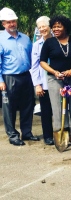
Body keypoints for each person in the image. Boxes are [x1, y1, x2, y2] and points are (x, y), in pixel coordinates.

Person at [0, 7, 39, 146]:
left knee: (28, 105)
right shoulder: (0, 38)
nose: (11, 24)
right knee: (9, 107)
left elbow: (33, 58)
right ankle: (13, 135)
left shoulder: (25, 38)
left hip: (26, 76)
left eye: (13, 21)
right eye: (8, 22)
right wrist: (0, 80)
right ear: (3, 23)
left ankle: (27, 132)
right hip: (9, 77)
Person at [40, 15, 71, 145]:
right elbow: (42, 62)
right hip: (55, 79)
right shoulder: (49, 42)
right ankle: (62, 133)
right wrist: (54, 72)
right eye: (54, 26)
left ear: (65, 27)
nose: (56, 29)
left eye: (59, 26)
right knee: (57, 108)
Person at [30, 16, 54, 145]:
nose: (42, 29)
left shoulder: (57, 41)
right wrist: (37, 84)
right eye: (40, 27)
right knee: (45, 111)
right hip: (43, 83)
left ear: (50, 27)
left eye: (44, 26)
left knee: (61, 109)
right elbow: (34, 66)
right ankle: (48, 136)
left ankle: (63, 132)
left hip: (58, 81)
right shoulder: (36, 45)